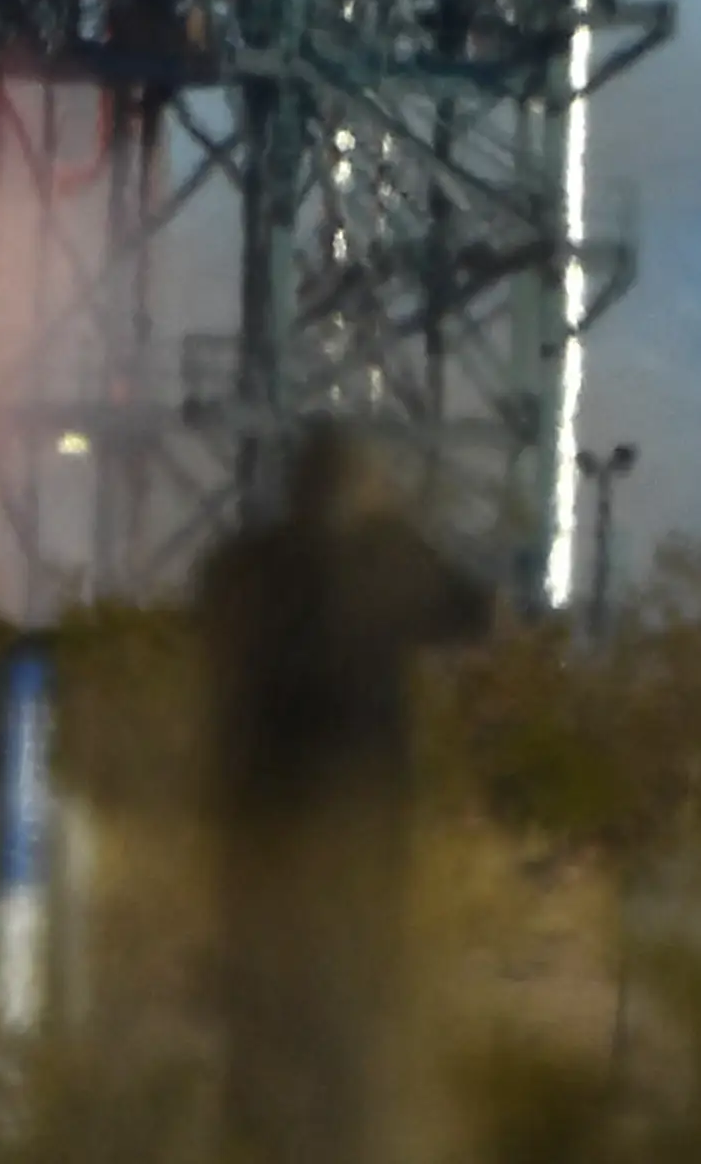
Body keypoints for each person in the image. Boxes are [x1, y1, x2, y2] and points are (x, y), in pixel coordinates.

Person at [195, 423, 491, 1164]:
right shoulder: (385, 559)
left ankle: (254, 1135)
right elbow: (472, 612)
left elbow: (207, 616)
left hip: (255, 814)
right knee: (356, 992)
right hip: (359, 813)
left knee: (259, 990)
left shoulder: (244, 564)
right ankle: (342, 1133)